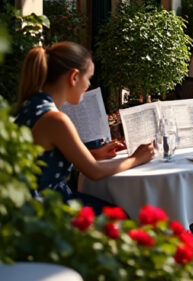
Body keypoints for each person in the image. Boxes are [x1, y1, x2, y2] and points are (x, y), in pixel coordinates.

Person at [15, 43, 156, 210]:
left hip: (30, 205)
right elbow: (94, 172)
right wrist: (137, 158)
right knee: (122, 215)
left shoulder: (32, 106)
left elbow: (47, 159)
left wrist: (94, 154)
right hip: (48, 210)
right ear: (74, 77)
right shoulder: (56, 120)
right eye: (88, 78)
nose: (88, 85)